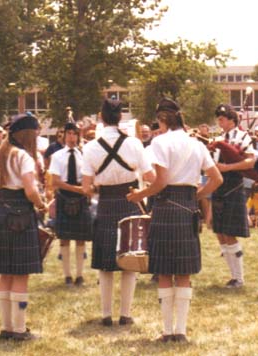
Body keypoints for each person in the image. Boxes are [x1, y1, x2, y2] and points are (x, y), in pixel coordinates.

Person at [127, 98, 222, 342]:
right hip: (187, 207)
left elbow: (160, 182)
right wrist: (195, 195)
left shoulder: (160, 142)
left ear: (165, 118)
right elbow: (216, 179)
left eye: (158, 121)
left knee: (165, 271)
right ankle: (180, 331)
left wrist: (139, 194)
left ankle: (168, 330)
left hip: (166, 206)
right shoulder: (196, 144)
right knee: (183, 271)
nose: (156, 127)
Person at [81, 99, 154, 327]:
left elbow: (86, 187)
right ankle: (125, 314)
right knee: (129, 260)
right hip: (130, 201)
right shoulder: (134, 144)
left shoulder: (91, 147)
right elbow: (150, 177)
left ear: (101, 118)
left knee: (106, 263)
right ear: (120, 116)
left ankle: (105, 315)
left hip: (105, 204)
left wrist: (99, 187)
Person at [0, 113, 47, 341]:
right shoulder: (24, 157)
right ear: (28, 134)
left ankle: (6, 328)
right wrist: (41, 204)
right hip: (21, 214)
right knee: (20, 274)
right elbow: (30, 190)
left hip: (1, 213)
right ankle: (19, 330)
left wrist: (0, 205)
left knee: (5, 274)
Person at [211, 104, 254, 288]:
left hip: (233, 185)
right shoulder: (218, 138)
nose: (219, 122)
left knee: (230, 233)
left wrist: (228, 167)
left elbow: (251, 161)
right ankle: (232, 276)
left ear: (231, 120)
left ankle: (239, 278)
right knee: (220, 232)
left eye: (222, 119)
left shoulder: (243, 137)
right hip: (218, 185)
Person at [49, 122, 92, 286]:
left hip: (81, 199)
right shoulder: (58, 156)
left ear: (78, 136)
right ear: (64, 136)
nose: (71, 137)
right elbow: (55, 181)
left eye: (74, 134)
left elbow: (90, 176)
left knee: (81, 238)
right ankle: (67, 275)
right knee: (64, 238)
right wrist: (78, 190)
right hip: (65, 197)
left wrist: (86, 189)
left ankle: (79, 275)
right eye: (69, 134)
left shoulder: (84, 155)